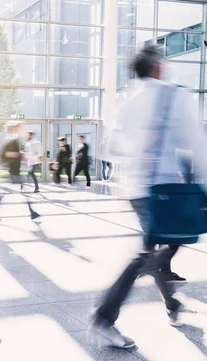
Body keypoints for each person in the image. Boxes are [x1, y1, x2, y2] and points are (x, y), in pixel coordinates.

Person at [89, 45, 207, 348]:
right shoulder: (173, 94)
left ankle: (172, 305)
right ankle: (104, 317)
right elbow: (196, 143)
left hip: (135, 189)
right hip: (164, 191)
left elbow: (109, 149)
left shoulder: (127, 101)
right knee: (158, 248)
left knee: (157, 244)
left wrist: (138, 158)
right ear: (156, 66)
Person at [0, 122, 40, 221]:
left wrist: (21, 154)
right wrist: (21, 155)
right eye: (20, 127)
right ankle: (32, 212)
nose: (22, 129)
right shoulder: (12, 140)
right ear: (15, 128)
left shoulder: (12, 139)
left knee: (7, 193)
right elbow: (7, 154)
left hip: (13, 170)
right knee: (11, 192)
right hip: (12, 171)